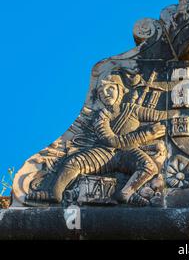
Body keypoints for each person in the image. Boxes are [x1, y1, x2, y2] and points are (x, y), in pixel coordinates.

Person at [27, 74, 166, 206]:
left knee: (149, 167)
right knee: (73, 161)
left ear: (121, 90)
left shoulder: (132, 109)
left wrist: (177, 114)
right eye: (101, 91)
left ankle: (125, 193)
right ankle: (54, 193)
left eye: (110, 88)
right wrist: (146, 134)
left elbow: (162, 115)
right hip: (104, 153)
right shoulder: (101, 116)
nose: (105, 93)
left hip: (127, 153)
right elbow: (111, 141)